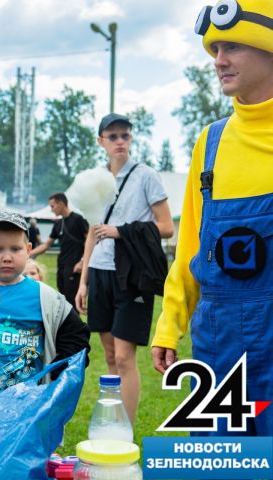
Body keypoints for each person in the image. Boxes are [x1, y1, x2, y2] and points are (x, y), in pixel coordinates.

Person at [152, 0, 273, 437]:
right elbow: (191, 247)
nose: (218, 60)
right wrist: (169, 324)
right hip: (218, 345)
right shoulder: (212, 141)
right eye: (215, 48)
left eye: (232, 47)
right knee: (220, 463)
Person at [75, 113, 174, 428]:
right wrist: (83, 281)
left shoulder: (145, 175)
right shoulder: (95, 178)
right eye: (113, 136)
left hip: (131, 273)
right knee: (108, 355)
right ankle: (112, 423)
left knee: (124, 356)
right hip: (100, 272)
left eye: (125, 136)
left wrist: (121, 231)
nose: (120, 142)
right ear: (100, 141)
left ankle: (125, 432)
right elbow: (93, 230)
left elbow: (167, 227)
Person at [0, 211, 90, 417]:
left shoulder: (46, 298)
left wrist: (54, 382)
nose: (7, 257)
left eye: (15, 249)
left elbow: (77, 341)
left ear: (28, 250)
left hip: (23, 404)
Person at [31, 193, 89, 306]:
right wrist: (27, 253)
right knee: (63, 300)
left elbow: (89, 241)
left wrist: (82, 261)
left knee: (72, 302)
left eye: (53, 206)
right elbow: (46, 245)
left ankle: (74, 323)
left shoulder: (78, 219)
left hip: (75, 267)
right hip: (62, 267)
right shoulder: (58, 223)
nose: (51, 210)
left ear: (61, 204)